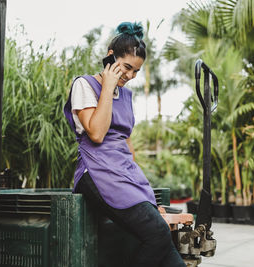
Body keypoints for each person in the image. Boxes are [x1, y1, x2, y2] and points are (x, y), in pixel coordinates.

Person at [63, 22, 186, 267]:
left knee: (162, 237)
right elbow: (97, 134)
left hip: (123, 172)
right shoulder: (85, 85)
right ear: (111, 56)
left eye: (136, 71)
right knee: (157, 234)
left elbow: (127, 147)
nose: (130, 76)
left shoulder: (127, 96)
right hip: (96, 171)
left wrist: (146, 192)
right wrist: (107, 87)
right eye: (127, 68)